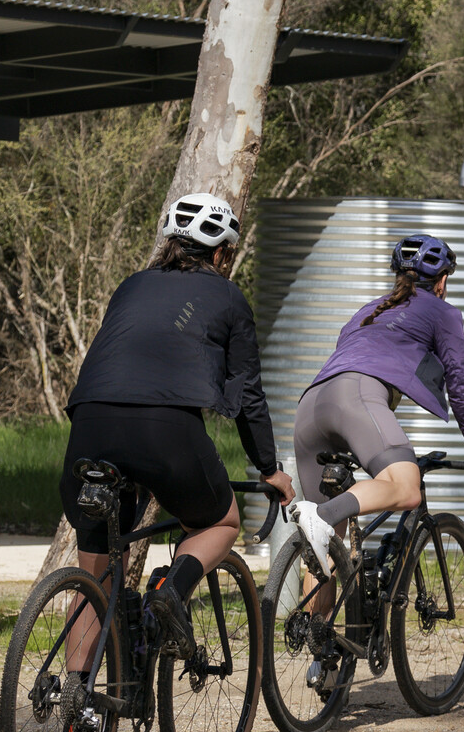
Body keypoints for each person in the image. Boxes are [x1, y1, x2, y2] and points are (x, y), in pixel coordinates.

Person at [62, 192, 293, 671]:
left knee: (96, 581)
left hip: (88, 425)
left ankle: (76, 712)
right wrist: (269, 469)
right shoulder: (228, 296)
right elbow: (248, 393)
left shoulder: (131, 285)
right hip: (163, 428)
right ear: (220, 253)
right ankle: (172, 589)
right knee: (220, 521)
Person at [287, 233, 464, 575]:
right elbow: (461, 385)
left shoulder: (369, 309)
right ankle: (321, 515)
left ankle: (312, 628)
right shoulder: (442, 312)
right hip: (355, 398)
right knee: (406, 487)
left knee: (326, 552)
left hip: (310, 406)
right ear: (443, 280)